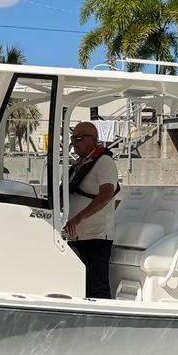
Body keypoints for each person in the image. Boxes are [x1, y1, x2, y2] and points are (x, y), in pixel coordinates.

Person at [65, 121, 118, 298]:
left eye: (79, 138)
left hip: (96, 236)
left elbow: (106, 194)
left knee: (97, 286)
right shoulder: (79, 164)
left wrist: (78, 219)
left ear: (94, 140)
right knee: (79, 285)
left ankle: (105, 315)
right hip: (76, 236)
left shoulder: (104, 162)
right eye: (73, 138)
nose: (74, 142)